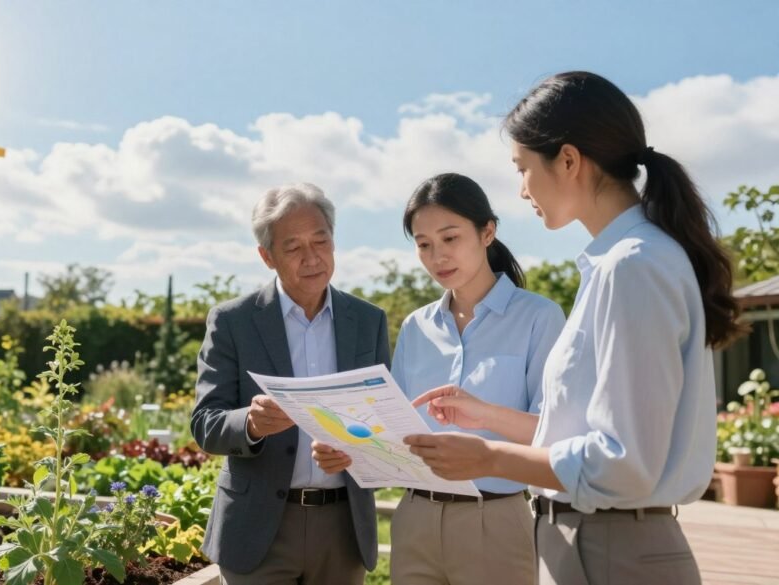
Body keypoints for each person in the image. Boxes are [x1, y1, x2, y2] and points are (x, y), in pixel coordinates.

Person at [404, 71, 743, 585]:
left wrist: (490, 454)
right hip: (595, 542)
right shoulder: (622, 263)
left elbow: (623, 462)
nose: (520, 190)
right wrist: (485, 415)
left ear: (567, 160)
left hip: (612, 548)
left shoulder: (632, 266)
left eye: (522, 169)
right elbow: (591, 433)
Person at [313, 173, 564, 585]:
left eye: (450, 238)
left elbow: (553, 434)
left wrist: (484, 414)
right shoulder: (416, 327)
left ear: (487, 232)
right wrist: (348, 448)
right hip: (415, 520)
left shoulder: (539, 317)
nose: (438, 257)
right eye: (424, 244)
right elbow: (395, 430)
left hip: (496, 520)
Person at [190, 182, 391, 585]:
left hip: (343, 529)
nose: (312, 257)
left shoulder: (369, 321)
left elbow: (383, 419)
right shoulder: (233, 321)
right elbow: (205, 424)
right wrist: (251, 423)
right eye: (294, 247)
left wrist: (358, 450)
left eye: (321, 241)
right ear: (267, 256)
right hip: (258, 530)